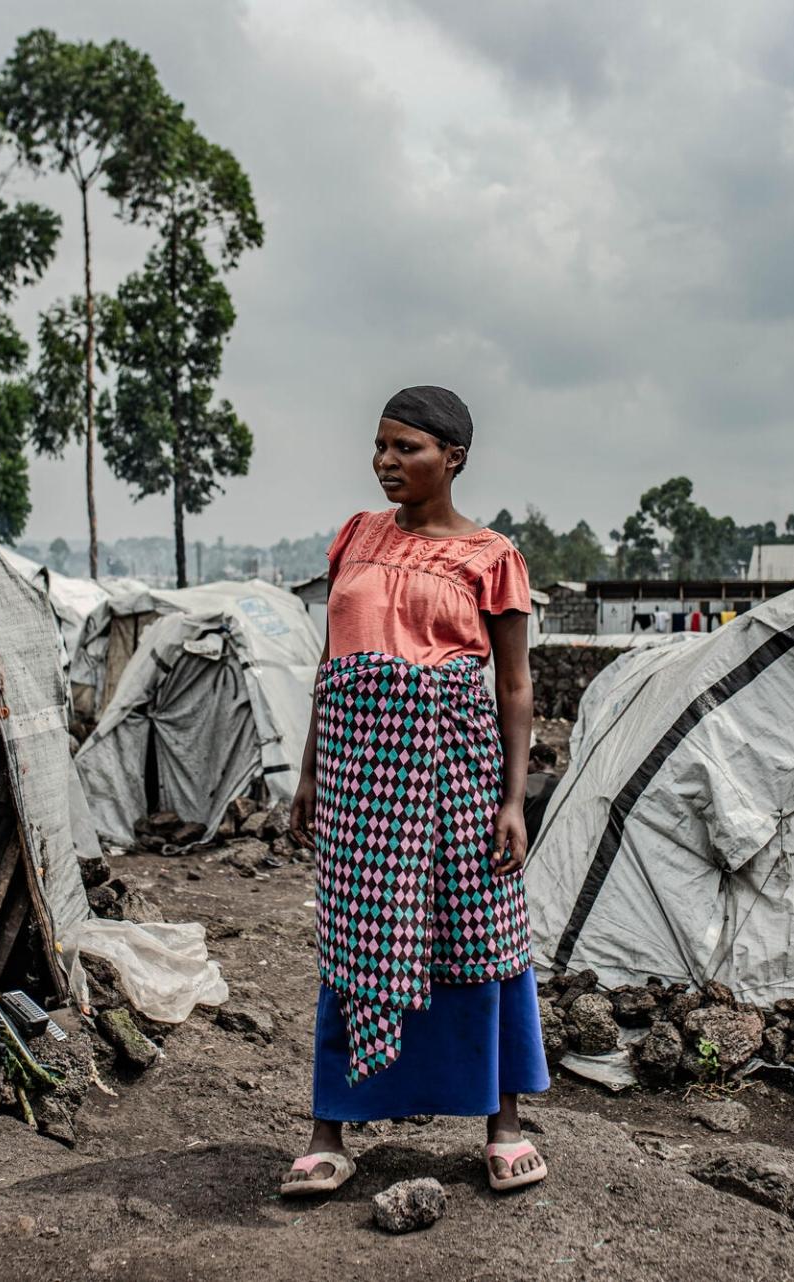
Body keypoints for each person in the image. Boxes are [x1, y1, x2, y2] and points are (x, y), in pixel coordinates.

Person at [281, 385, 549, 1197]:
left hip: (457, 770)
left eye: (407, 448)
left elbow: (515, 687)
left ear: (453, 458)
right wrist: (308, 774)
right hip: (363, 776)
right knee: (356, 940)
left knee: (479, 933)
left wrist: (512, 799)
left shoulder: (492, 556)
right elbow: (332, 667)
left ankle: (502, 1125)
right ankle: (331, 1132)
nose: (386, 462)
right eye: (381, 447)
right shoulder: (355, 538)